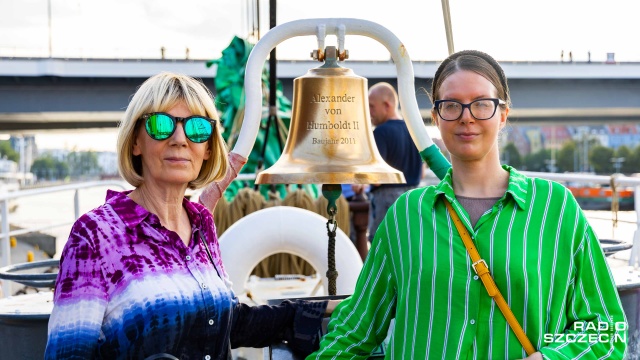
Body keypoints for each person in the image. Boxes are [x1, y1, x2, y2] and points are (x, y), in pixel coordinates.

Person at [309, 50, 627, 359]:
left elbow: (608, 330)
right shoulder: (405, 216)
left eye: (481, 104)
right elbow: (358, 328)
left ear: (503, 114)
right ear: (435, 116)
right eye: (451, 105)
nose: (466, 117)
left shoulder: (556, 210)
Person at [45, 72, 337, 359]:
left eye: (197, 128)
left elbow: (224, 321)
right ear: (135, 142)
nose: (179, 139)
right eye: (161, 125)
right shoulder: (96, 235)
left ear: (208, 148)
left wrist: (315, 309)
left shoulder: (202, 224)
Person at [364, 82, 423, 240]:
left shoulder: (381, 133)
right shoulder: (414, 131)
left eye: (371, 106)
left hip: (386, 200)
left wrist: (361, 182)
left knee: (382, 245)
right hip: (412, 199)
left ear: (386, 105)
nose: (369, 112)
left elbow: (376, 179)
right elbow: (422, 173)